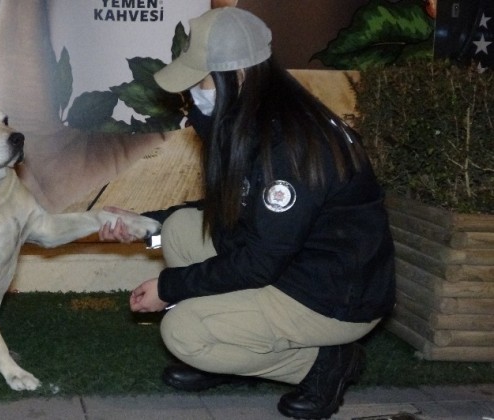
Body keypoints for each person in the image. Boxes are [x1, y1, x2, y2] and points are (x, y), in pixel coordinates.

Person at [99, 7, 396, 420]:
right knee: (180, 228)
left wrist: (170, 287)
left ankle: (326, 363)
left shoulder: (287, 148)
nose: (192, 98)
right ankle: (226, 357)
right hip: (293, 265)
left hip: (329, 298)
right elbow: (229, 211)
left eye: (199, 82)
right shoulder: (253, 118)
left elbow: (258, 263)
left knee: (182, 331)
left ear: (236, 76)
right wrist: (144, 229)